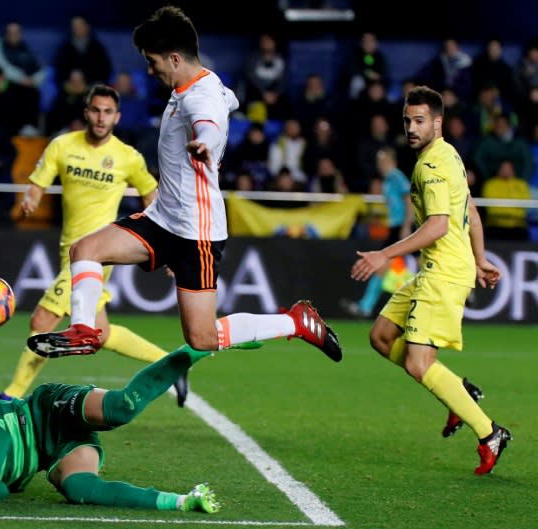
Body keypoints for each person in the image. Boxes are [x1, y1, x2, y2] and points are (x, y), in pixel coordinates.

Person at [27, 6, 342, 363]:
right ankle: (84, 331)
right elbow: (228, 99)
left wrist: (206, 141)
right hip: (163, 219)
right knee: (85, 251)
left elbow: (208, 120)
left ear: (175, 58)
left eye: (152, 61)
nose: (150, 69)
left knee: (203, 337)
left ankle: (295, 323)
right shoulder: (198, 83)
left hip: (196, 231)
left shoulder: (199, 97)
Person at [0, 83, 189, 405]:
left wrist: (165, 245)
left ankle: (10, 398)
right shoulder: (62, 146)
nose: (101, 118)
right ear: (86, 113)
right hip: (69, 251)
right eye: (96, 111)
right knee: (100, 333)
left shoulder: (127, 157)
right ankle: (172, 363)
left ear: (117, 117)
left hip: (99, 254)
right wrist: (31, 197)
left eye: (108, 112)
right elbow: (38, 183)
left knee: (42, 321)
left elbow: (151, 196)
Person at [349, 86, 511, 475]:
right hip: (437, 270)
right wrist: (481, 257)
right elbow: (469, 206)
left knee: (420, 365)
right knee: (381, 337)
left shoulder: (431, 165)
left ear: (437, 122)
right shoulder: (449, 154)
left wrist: (384, 254)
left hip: (444, 274)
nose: (411, 127)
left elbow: (438, 225)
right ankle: (458, 395)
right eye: (407, 120)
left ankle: (489, 432)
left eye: (419, 120)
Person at [0, 345, 220, 513]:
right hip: (51, 454)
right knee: (79, 490)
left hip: (45, 411)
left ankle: (190, 351)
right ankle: (183, 501)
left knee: (121, 409)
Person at [341, 146, 413, 318]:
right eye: (379, 161)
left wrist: (406, 225)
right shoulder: (387, 180)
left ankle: (365, 306)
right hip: (395, 227)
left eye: (383, 161)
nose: (380, 165)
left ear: (392, 161)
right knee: (385, 266)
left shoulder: (396, 176)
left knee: (387, 265)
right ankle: (365, 306)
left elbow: (409, 199)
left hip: (401, 227)